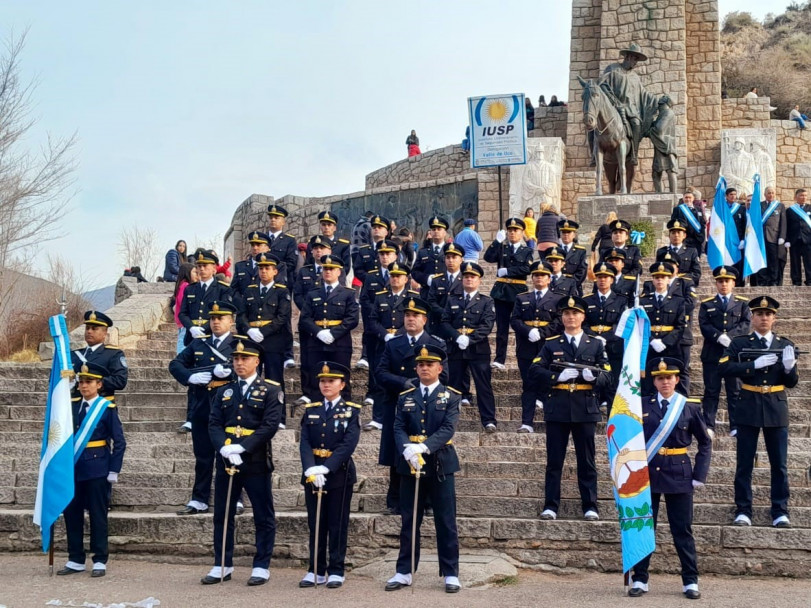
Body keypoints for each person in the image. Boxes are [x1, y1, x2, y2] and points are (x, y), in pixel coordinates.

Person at [627, 357, 711, 601]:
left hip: (679, 473)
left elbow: (705, 443)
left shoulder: (689, 407)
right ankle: (640, 578)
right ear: (654, 381)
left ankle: (690, 580)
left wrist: (699, 474)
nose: (665, 382)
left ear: (677, 380)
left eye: (669, 377)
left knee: (682, 529)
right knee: (644, 527)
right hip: (647, 472)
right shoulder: (641, 404)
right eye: (660, 378)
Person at [202, 337, 283, 586]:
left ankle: (261, 565)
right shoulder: (224, 390)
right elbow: (214, 423)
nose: (239, 363)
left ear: (256, 361)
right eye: (236, 358)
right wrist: (225, 448)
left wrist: (243, 446)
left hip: (256, 459)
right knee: (222, 514)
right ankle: (222, 564)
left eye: (244, 358)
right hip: (227, 459)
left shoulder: (271, 389)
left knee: (263, 514)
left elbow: (269, 425)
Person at [385, 344, 461, 594]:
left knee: (445, 521)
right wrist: (407, 448)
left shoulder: (451, 396)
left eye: (429, 365)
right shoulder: (406, 396)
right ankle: (404, 571)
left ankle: (450, 572)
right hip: (410, 464)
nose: (425, 368)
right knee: (409, 520)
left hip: (439, 462)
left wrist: (424, 448)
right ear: (416, 368)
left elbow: (448, 428)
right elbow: (398, 426)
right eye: (421, 365)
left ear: (439, 368)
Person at [720, 296, 799, 529]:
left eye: (768, 314)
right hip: (749, 403)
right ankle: (743, 509)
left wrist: (788, 367)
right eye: (759, 314)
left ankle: (780, 509)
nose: (764, 318)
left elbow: (792, 382)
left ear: (774, 318)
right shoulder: (739, 342)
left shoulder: (785, 344)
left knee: (779, 463)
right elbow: (724, 367)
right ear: (752, 317)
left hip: (775, 404)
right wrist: (751, 365)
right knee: (744, 462)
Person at [530, 295, 611, 521]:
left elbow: (608, 375)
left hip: (585, 407)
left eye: (575, 313)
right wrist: (556, 376)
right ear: (562, 317)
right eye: (566, 313)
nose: (571, 317)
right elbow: (535, 371)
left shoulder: (595, 343)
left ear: (583, 317)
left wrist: (594, 377)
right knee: (554, 461)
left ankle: (590, 505)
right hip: (558, 405)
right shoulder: (551, 344)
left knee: (587, 460)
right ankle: (551, 505)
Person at [377, 297, 447, 515]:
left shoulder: (436, 344)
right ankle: (395, 500)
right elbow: (380, 372)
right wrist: (403, 383)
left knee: (425, 448)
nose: (410, 319)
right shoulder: (393, 343)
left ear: (424, 320)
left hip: (426, 404)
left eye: (415, 315)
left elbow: (447, 375)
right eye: (407, 315)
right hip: (397, 403)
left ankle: (426, 501)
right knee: (398, 449)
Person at [57, 362, 126, 578]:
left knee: (98, 514)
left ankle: (99, 559)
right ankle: (75, 558)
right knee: (72, 514)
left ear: (99, 384)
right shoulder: (70, 406)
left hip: (98, 467)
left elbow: (119, 441)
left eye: (89, 382)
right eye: (82, 382)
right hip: (73, 468)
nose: (84, 386)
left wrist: (114, 469)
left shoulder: (106, 408)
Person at [170, 300, 237, 515]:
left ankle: (233, 497)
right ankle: (199, 499)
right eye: (213, 318)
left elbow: (252, 370)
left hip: (229, 407)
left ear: (231, 321)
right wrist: (191, 376)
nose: (216, 322)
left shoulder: (238, 344)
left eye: (221, 318)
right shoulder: (199, 343)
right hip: (202, 405)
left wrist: (230, 373)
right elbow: (176, 364)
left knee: (229, 454)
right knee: (203, 456)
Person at [299, 361, 360, 589]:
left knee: (337, 523)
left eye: (331, 381)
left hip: (338, 474)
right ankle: (315, 568)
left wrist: (327, 467)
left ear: (342, 384)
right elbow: (304, 441)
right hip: (313, 472)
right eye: (323, 381)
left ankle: (336, 568)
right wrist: (310, 468)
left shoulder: (351, 410)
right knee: (316, 523)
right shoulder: (311, 409)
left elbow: (348, 443)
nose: (326, 385)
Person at [236, 253, 292, 428]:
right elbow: (241, 315)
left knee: (274, 380)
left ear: (275, 271)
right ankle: (251, 416)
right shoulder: (250, 290)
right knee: (251, 378)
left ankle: (279, 418)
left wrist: (263, 331)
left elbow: (282, 317)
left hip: (273, 341)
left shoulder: (282, 291)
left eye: (267, 268)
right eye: (261, 268)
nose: (264, 271)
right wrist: (249, 330)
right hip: (252, 342)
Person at [441, 262, 497, 432]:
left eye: (473, 277)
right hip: (456, 347)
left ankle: (488, 420)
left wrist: (470, 339)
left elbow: (487, 325)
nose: (469, 280)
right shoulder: (452, 300)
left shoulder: (486, 301)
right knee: (452, 385)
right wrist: (457, 336)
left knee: (483, 385)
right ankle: (449, 421)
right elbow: (445, 322)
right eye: (466, 277)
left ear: (479, 280)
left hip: (478, 349)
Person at [299, 255, 359, 403]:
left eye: (331, 269)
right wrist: (318, 332)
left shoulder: (348, 294)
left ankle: (344, 411)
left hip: (340, 343)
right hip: (316, 342)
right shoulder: (313, 294)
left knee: (341, 377)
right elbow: (305, 318)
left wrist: (333, 333)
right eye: (325, 268)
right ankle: (316, 413)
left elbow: (352, 319)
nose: (328, 271)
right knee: (316, 378)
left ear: (339, 272)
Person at [699, 266, 750, 437]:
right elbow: (704, 324)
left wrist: (732, 337)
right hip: (712, 353)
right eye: (720, 281)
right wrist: (718, 336)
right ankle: (709, 425)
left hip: (733, 355)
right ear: (716, 283)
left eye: (726, 281)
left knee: (734, 391)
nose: (723, 284)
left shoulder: (742, 303)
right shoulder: (707, 304)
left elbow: (746, 323)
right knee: (711, 391)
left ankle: (735, 425)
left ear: (733, 283)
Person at [510, 261, 562, 432]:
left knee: (548, 384)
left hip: (547, 346)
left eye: (543, 275)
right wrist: (528, 331)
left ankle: (551, 420)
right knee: (529, 384)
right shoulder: (522, 297)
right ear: (532, 278)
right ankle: (526, 422)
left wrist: (543, 332)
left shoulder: (557, 299)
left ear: (549, 279)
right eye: (536, 275)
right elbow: (515, 320)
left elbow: (559, 321)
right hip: (526, 346)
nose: (539, 278)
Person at [484, 217, 533, 371]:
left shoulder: (527, 251)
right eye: (510, 230)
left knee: (520, 326)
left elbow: (528, 269)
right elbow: (488, 258)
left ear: (522, 232)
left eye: (516, 230)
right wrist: (496, 242)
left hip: (519, 291)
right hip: (502, 292)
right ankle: (500, 359)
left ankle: (522, 357)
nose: (512, 233)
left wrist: (509, 271)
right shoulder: (502, 248)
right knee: (502, 327)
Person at [359, 240, 400, 420]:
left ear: (395, 256)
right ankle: (374, 401)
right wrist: (381, 329)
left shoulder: (401, 275)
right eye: (382, 254)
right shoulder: (371, 276)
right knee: (376, 367)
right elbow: (365, 300)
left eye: (388, 253)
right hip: (376, 330)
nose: (385, 256)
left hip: (398, 334)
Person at [583, 262, 628, 410]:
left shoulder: (621, 300)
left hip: (613, 346)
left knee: (612, 384)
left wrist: (606, 337)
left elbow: (621, 324)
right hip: (592, 346)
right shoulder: (587, 300)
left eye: (606, 277)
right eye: (600, 277)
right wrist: (594, 337)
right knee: (592, 383)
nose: (602, 280)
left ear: (612, 280)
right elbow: (583, 323)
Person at [71, 311, 129, 407]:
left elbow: (120, 381)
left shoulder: (113, 354)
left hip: (100, 408)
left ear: (104, 333)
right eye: (87, 328)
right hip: (75, 407)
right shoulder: (74, 354)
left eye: (94, 329)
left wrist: (94, 382)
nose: (89, 331)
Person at [178, 250, 234, 346]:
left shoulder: (222, 289)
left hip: (212, 335)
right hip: (192, 337)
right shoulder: (190, 289)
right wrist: (192, 328)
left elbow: (224, 314)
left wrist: (204, 329)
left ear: (214, 269)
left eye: (205, 266)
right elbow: (183, 313)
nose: (202, 269)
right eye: (199, 266)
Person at [640, 262, 687, 366]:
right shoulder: (643, 301)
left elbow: (680, 326)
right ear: (652, 280)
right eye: (656, 277)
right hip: (648, 347)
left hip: (670, 348)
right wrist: (651, 340)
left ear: (669, 280)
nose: (659, 280)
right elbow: (640, 325)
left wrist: (665, 342)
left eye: (663, 277)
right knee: (648, 379)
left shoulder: (678, 301)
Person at [753, 186, 787, 286]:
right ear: (765, 194)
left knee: (774, 260)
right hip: (761, 238)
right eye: (769, 193)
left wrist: (782, 236)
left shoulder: (780, 206)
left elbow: (783, 222)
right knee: (762, 259)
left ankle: (773, 281)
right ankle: (763, 281)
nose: (771, 195)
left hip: (774, 237)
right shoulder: (759, 205)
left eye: (772, 193)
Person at [427, 243, 464, 331]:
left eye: (454, 257)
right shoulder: (437, 280)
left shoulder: (465, 279)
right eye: (448, 257)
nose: (450, 260)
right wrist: (444, 312)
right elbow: (431, 301)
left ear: (461, 260)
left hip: (458, 323)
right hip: (439, 322)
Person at [412, 216, 450, 299]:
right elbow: (415, 272)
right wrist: (427, 279)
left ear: (445, 233)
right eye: (433, 229)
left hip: (446, 294)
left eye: (439, 229)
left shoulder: (450, 252)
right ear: (430, 232)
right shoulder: (423, 252)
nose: (436, 231)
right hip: (427, 293)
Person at [305, 211, 352, 275]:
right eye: (323, 225)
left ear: (335, 228)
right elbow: (308, 263)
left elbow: (346, 267)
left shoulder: (343, 245)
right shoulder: (312, 244)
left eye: (329, 225)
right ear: (320, 227)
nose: (326, 227)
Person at [265, 204, 299, 289]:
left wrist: (272, 273)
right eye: (271, 217)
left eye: (276, 218)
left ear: (283, 222)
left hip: (282, 283)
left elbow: (291, 263)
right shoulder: (262, 239)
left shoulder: (289, 240)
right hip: (262, 281)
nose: (273, 220)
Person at [657, 219, 701, 285]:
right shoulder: (662, 252)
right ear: (669, 236)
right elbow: (658, 271)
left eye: (679, 232)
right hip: (666, 286)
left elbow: (696, 273)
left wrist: (677, 278)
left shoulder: (691, 251)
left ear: (684, 235)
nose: (676, 235)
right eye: (673, 232)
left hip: (684, 287)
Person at [230, 231, 271, 297]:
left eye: (258, 245)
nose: (255, 248)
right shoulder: (240, 266)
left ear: (267, 248)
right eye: (253, 245)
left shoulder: (276, 266)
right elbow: (233, 290)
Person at [721, 187, 747, 286]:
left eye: (734, 194)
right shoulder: (722, 208)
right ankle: (727, 281)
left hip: (738, 240)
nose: (733, 196)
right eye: (731, 194)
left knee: (739, 262)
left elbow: (744, 224)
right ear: (726, 196)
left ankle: (739, 282)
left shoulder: (741, 208)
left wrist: (743, 240)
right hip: (726, 240)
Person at [786, 188, 811, 286]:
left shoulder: (810, 208)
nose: (804, 197)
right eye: (801, 195)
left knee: (809, 261)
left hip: (808, 240)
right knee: (795, 262)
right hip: (794, 240)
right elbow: (786, 226)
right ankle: (796, 281)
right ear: (796, 197)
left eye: (805, 195)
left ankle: (809, 280)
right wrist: (787, 239)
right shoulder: (790, 210)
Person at [671, 191, 707, 256]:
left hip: (697, 239)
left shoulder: (698, 209)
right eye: (686, 197)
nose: (688, 199)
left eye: (690, 197)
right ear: (683, 199)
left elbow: (702, 223)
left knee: (696, 259)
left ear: (693, 199)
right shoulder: (678, 209)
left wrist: (702, 236)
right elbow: (673, 223)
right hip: (684, 239)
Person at [557, 220, 588, 294]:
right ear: (560, 234)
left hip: (574, 287)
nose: (566, 235)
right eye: (564, 232)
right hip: (557, 287)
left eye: (569, 232)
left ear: (574, 235)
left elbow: (582, 271)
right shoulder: (555, 250)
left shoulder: (580, 251)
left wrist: (570, 283)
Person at [173, 263, 198, 355]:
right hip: (183, 321)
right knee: (182, 341)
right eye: (194, 272)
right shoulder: (185, 286)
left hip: (181, 321)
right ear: (187, 273)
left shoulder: (181, 285)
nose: (197, 274)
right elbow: (183, 301)